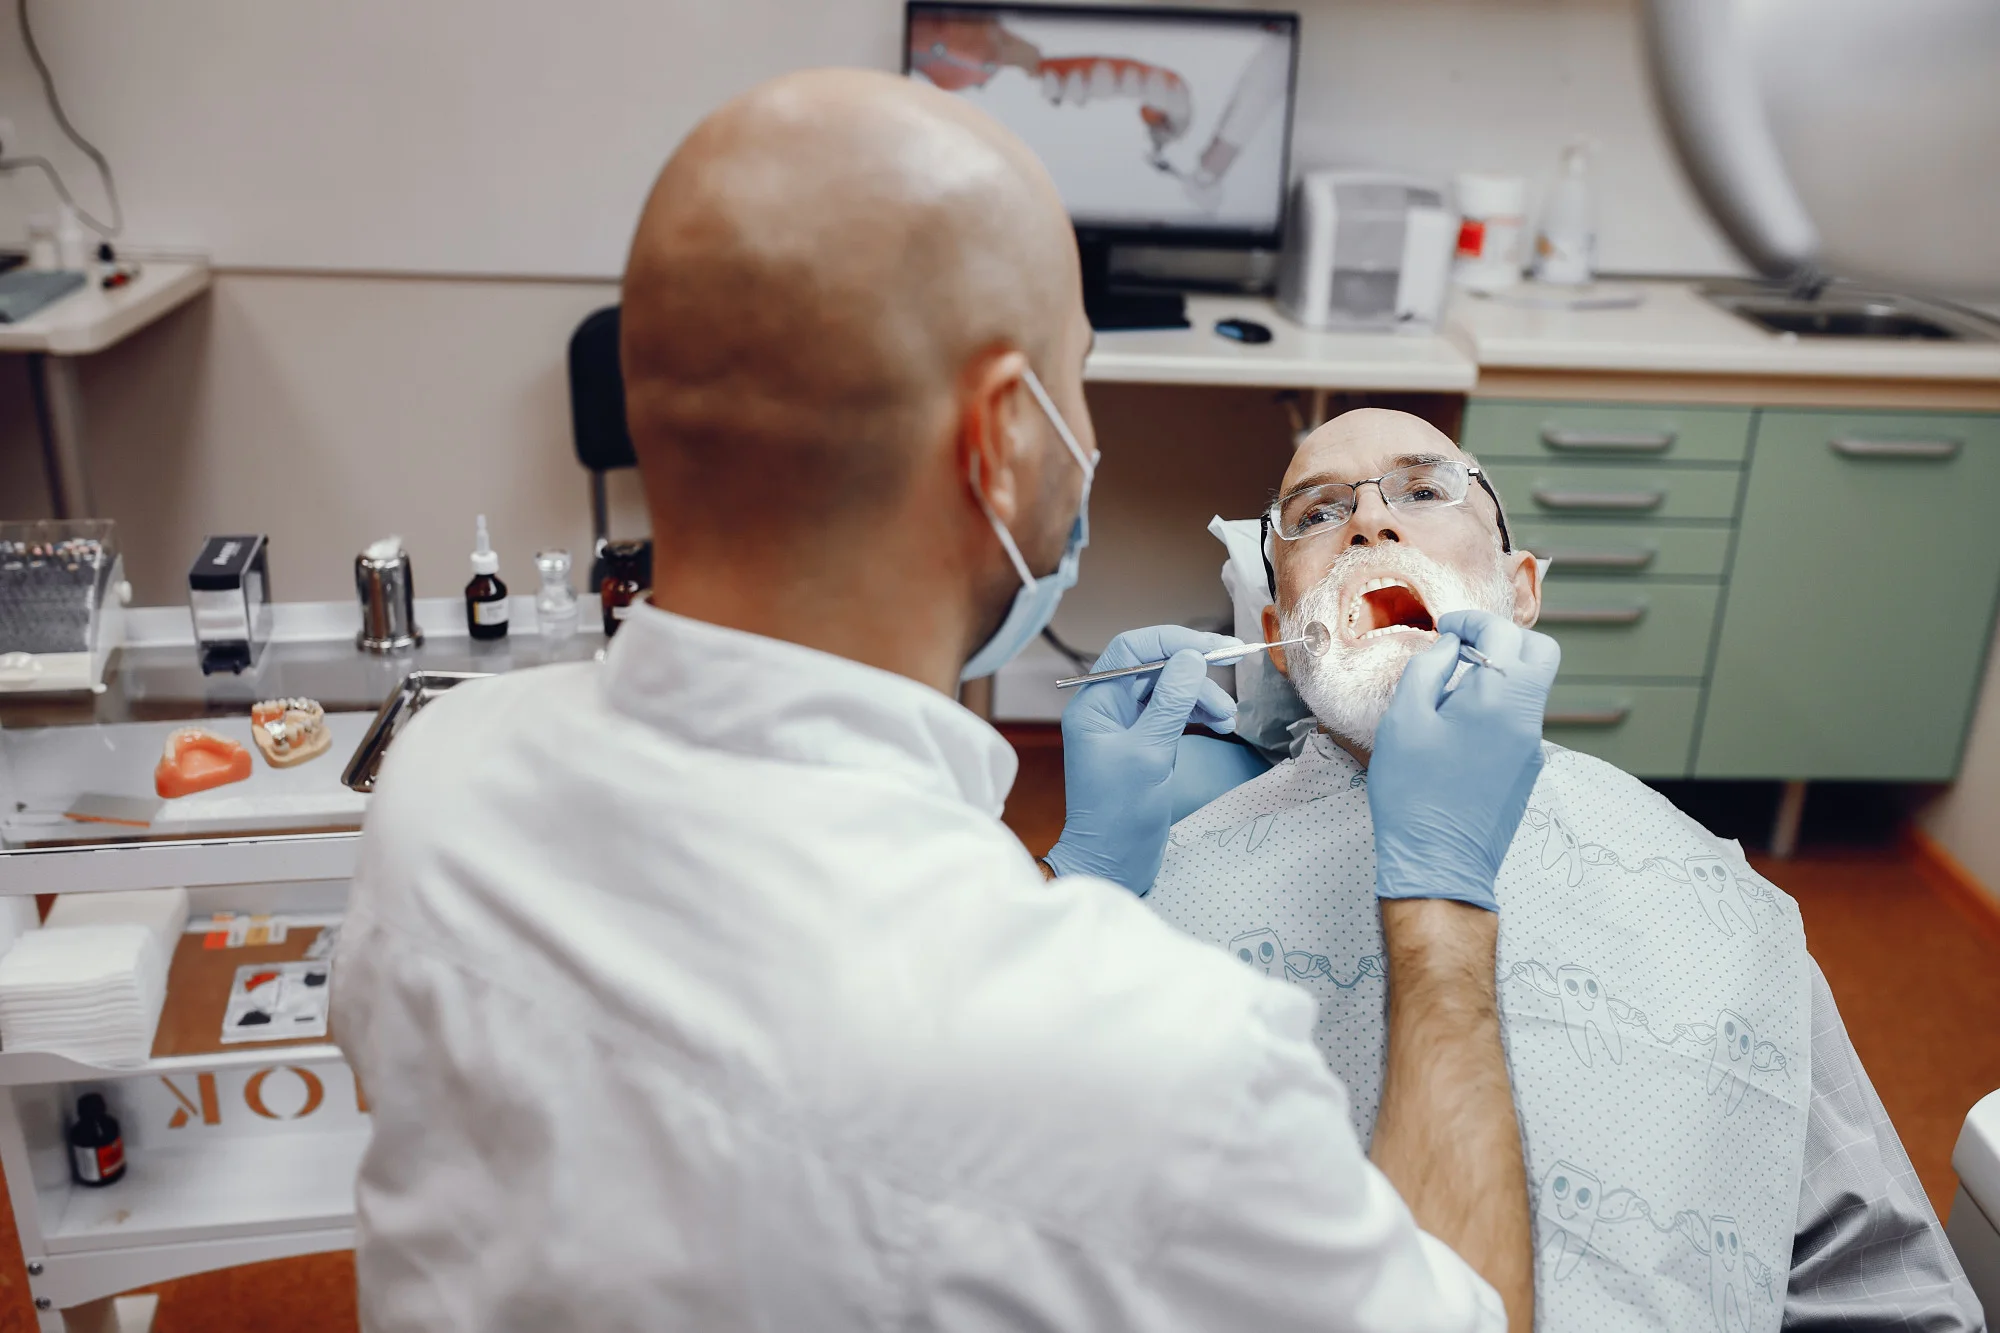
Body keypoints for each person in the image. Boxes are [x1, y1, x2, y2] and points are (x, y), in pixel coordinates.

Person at [333, 71, 1560, 1331]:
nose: (1366, 521)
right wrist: (1441, 908)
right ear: (1003, 440)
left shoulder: (436, 787)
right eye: (1073, 381)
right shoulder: (1170, 1063)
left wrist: (1083, 877)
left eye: (1416, 493)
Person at [1141, 407, 1984, 1331]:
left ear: (1520, 587)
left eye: (1424, 491)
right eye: (1315, 512)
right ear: (1275, 629)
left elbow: (1880, 1274)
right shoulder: (1162, 888)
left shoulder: (1722, 901)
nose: (1370, 524)